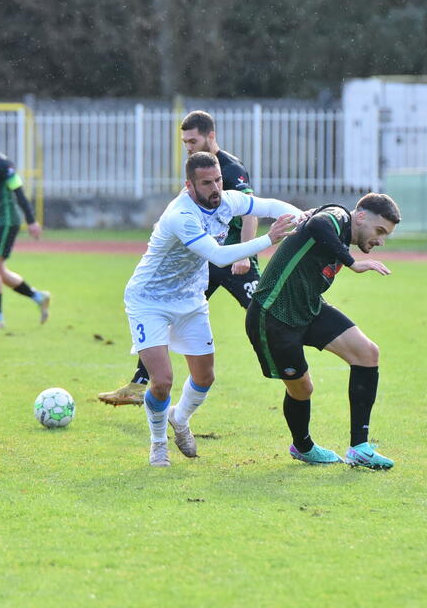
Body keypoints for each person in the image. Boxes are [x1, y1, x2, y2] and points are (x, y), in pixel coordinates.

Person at [125, 150, 301, 467]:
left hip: (190, 299)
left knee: (204, 378)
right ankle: (158, 443)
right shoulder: (181, 215)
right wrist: (268, 239)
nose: (215, 188)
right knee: (162, 381)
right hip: (149, 299)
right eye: (207, 183)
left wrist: (303, 218)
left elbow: (270, 206)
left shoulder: (227, 200)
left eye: (218, 179)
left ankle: (179, 418)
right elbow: (218, 257)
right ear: (189, 186)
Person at [98, 110, 260, 406]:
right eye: (184, 141)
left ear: (210, 136)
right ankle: (140, 383)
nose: (187, 145)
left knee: (264, 309)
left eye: (192, 140)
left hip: (234, 259)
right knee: (173, 312)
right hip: (206, 260)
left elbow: (250, 209)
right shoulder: (196, 169)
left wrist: (246, 253)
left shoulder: (229, 168)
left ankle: (289, 362)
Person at [245, 193, 400, 468]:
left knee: (367, 353)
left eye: (385, 235)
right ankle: (303, 447)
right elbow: (318, 225)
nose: (380, 240)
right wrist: (352, 263)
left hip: (309, 308)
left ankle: (360, 448)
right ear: (360, 216)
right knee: (303, 389)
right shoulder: (337, 217)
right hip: (274, 315)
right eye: (379, 231)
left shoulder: (339, 230)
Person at [0, 121, 51, 329]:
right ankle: (38, 297)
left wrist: (31, 221)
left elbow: (18, 192)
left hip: (5, 221)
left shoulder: (2, 164)